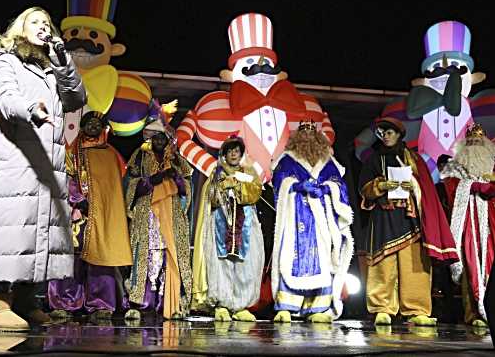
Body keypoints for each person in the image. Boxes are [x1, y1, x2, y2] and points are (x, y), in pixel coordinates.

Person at [0, 7, 86, 331]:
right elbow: (4, 96)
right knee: (11, 231)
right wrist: (30, 108)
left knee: (38, 232)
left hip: (48, 164)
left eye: (46, 24)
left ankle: (26, 301)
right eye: (35, 22)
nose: (42, 27)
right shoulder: (8, 59)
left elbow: (77, 97)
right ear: (20, 29)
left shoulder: (53, 67)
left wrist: (63, 59)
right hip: (17, 160)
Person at [359, 117, 457, 326]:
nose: (386, 136)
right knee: (383, 262)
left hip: (409, 217)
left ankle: (416, 309)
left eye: (390, 132)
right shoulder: (374, 159)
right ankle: (382, 308)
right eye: (383, 133)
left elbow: (426, 189)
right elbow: (364, 189)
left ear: (399, 135)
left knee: (414, 263)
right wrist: (381, 185)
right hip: (384, 216)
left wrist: (412, 183)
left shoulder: (413, 159)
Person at [48, 111, 132, 319]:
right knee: (71, 259)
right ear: (82, 127)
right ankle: (65, 302)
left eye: (98, 124)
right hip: (75, 214)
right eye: (90, 123)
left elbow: (113, 189)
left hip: (101, 215)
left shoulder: (110, 154)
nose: (94, 127)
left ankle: (100, 303)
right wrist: (77, 199)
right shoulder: (71, 152)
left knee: (101, 259)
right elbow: (65, 179)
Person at [271, 122, 354, 323]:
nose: (307, 136)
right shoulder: (287, 159)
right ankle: (287, 306)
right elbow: (279, 182)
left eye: (311, 132)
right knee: (292, 257)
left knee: (322, 259)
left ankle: (318, 307)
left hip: (321, 220)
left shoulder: (328, 161)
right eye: (303, 132)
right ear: (296, 137)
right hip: (296, 215)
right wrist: (297, 185)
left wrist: (327, 189)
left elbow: (339, 184)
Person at [124, 103, 193, 320]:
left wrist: (176, 178)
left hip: (171, 215)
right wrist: (149, 182)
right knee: (144, 255)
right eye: (156, 137)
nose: (160, 141)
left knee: (169, 255)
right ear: (151, 138)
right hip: (148, 213)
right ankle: (139, 302)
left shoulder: (176, 159)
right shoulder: (140, 156)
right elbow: (130, 183)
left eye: (163, 137)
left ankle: (171, 303)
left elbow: (187, 188)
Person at [441, 123, 495, 327]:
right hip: (470, 220)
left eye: (479, 142)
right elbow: (450, 187)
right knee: (471, 262)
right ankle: (473, 314)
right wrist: (474, 186)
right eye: (471, 141)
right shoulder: (456, 165)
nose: (475, 145)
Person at [191, 136, 264, 322]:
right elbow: (212, 198)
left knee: (243, 266)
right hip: (220, 226)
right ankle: (222, 305)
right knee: (221, 264)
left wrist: (238, 185)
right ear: (224, 153)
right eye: (230, 150)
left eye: (237, 150)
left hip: (245, 226)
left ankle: (240, 306)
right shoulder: (216, 173)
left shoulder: (249, 172)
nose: (234, 154)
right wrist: (223, 186)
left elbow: (255, 192)